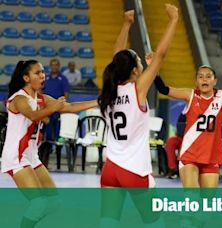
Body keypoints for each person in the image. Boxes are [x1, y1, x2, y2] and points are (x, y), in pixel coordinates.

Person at [96, 6, 177, 228]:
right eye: (139, 62)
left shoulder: (107, 92)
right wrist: (173, 20)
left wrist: (126, 25)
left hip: (111, 168)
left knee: (108, 222)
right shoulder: (136, 90)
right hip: (133, 170)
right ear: (134, 71)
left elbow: (115, 60)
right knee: (155, 222)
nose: (142, 64)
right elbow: (160, 55)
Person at [0, 59, 97, 227]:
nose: (42, 75)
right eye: (37, 73)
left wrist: (99, 101)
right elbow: (33, 115)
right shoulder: (19, 99)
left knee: (54, 201)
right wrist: (53, 108)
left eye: (43, 72)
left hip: (31, 156)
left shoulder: (41, 98)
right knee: (38, 203)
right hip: (16, 156)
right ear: (26, 78)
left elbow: (70, 107)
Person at [153, 65, 222, 188]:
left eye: (208, 77)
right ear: (196, 81)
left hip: (211, 157)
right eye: (201, 77)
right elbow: (163, 89)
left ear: (215, 81)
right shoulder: (190, 95)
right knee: (193, 196)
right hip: (190, 155)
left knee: (208, 202)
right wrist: (153, 68)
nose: (204, 80)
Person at [39, 58, 71, 169]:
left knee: (56, 137)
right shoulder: (45, 78)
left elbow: (66, 94)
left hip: (57, 112)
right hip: (46, 111)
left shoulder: (63, 79)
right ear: (50, 66)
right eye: (52, 65)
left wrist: (63, 107)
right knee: (45, 137)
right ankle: (43, 163)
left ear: (59, 66)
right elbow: (40, 91)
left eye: (56, 65)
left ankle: (56, 162)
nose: (54, 67)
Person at [164, 113, 186, 179]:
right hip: (180, 137)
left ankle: (181, 168)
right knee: (170, 142)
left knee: (183, 146)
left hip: (190, 139)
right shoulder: (183, 113)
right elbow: (179, 125)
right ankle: (173, 168)